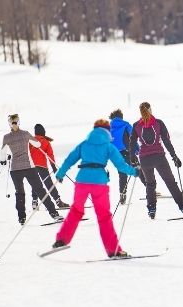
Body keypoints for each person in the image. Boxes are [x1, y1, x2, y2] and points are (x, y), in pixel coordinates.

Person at [52, 119, 140, 258]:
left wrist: (60, 174)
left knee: (76, 210)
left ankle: (61, 240)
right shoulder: (108, 146)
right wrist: (134, 172)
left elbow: (70, 159)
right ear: (107, 131)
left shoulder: (84, 144)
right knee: (104, 217)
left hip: (82, 181)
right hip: (99, 182)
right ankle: (113, 250)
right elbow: (121, 165)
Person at [131, 102, 183, 219]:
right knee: (170, 183)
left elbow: (132, 143)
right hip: (159, 158)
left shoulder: (136, 125)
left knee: (150, 184)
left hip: (144, 160)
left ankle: (151, 209)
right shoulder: (158, 123)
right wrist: (174, 156)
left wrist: (132, 159)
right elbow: (166, 141)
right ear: (150, 109)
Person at [1, 114, 62, 224]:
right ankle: (54, 214)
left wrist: (3, 160)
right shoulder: (25, 134)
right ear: (19, 122)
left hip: (15, 170)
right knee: (40, 190)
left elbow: (2, 153)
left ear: (9, 124)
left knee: (19, 192)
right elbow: (37, 144)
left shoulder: (6, 137)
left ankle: (22, 218)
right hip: (28, 167)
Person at [29, 124, 70, 209]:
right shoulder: (46, 142)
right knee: (49, 184)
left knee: (35, 184)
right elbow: (50, 156)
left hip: (32, 167)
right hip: (42, 167)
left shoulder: (31, 141)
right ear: (43, 132)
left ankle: (34, 202)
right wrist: (54, 169)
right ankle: (58, 201)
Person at [109, 109, 135, 205]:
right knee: (139, 169)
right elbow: (133, 138)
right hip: (127, 152)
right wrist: (137, 150)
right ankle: (150, 190)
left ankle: (122, 195)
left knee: (122, 174)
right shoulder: (126, 124)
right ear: (121, 116)